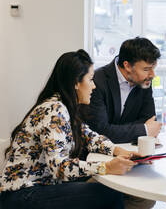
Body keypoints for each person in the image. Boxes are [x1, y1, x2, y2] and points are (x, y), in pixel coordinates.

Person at [0, 50, 141, 209]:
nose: (94, 86)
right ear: (76, 82)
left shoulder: (65, 107)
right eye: (91, 79)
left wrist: (118, 151)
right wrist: (106, 167)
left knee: (112, 191)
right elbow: (59, 167)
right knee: (109, 194)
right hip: (21, 195)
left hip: (41, 187)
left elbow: (90, 137)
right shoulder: (54, 110)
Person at [81, 37, 162, 144]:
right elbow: (100, 131)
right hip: (98, 153)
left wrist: (115, 130)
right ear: (127, 65)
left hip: (131, 149)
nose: (153, 75)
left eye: (153, 68)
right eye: (146, 69)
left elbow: (150, 120)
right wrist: (143, 130)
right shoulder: (97, 82)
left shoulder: (144, 80)